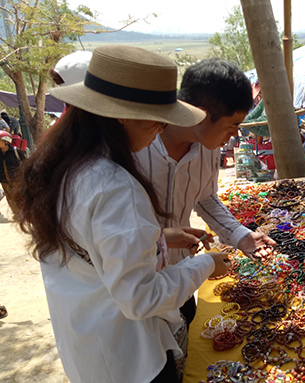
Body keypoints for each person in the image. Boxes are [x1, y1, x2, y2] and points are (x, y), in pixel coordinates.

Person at [12, 46, 232, 383]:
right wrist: (205, 265)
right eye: (158, 118)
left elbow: (90, 247)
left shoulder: (68, 165)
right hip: (128, 358)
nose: (161, 129)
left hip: (88, 342)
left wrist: (156, 237)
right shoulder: (116, 187)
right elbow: (142, 298)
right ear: (123, 115)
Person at [134, 58, 276, 323]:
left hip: (181, 275)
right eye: (232, 125)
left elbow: (205, 197)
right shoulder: (137, 149)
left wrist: (240, 235)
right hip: (135, 284)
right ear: (200, 114)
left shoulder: (209, 150)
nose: (234, 135)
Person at [0, 130, 25, 214]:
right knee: (10, 198)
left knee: (20, 197)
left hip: (16, 180)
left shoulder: (15, 151)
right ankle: (17, 214)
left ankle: (23, 214)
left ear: (6, 141)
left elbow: (26, 163)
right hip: (4, 182)